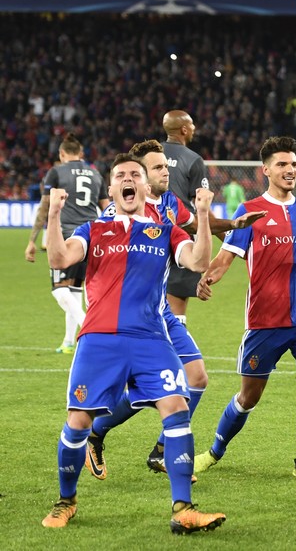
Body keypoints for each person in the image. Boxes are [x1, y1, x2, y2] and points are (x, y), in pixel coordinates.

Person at [41, 153, 225, 534]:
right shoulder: (93, 230)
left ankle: (183, 509)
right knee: (78, 422)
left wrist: (204, 216)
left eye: (134, 176)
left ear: (144, 187)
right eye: (120, 176)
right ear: (111, 189)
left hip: (151, 338)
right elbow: (59, 257)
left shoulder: (165, 231)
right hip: (99, 340)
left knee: (176, 406)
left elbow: (198, 260)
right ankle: (66, 501)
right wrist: (54, 215)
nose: (127, 180)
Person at [82, 140, 265, 480]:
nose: (167, 171)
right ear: (138, 177)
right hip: (129, 319)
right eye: (158, 168)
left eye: (166, 166)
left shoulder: (168, 202)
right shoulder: (117, 216)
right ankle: (99, 434)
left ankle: (159, 449)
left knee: (195, 379)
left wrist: (236, 225)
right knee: (153, 390)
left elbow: (195, 228)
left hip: (160, 310)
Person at [193, 136, 296, 481]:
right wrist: (208, 277)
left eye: (294, 164)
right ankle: (213, 452)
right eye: (282, 164)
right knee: (248, 397)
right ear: (265, 170)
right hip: (265, 320)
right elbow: (226, 257)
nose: (290, 170)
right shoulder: (249, 211)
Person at [25, 134, 109, 353]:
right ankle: (69, 342)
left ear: (62, 154)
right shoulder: (95, 173)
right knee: (75, 289)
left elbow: (45, 206)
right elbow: (108, 207)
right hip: (94, 235)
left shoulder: (56, 171)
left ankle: (88, 328)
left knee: (59, 290)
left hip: (67, 235)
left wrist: (32, 240)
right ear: (80, 154)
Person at [162, 110, 208, 326]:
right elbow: (202, 207)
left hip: (146, 235)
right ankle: (177, 355)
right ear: (183, 129)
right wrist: (227, 231)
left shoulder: (149, 155)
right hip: (181, 237)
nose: (193, 129)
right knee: (177, 308)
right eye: (191, 125)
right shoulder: (193, 160)